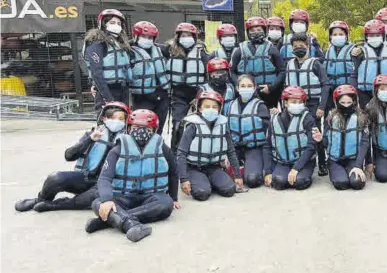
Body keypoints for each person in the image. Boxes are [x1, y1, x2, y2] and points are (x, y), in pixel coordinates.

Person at [14, 102, 130, 213]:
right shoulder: (92, 134)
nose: (116, 122)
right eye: (112, 118)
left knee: (94, 197)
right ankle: (41, 199)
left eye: (120, 119)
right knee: (55, 178)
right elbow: (68, 156)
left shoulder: (127, 141)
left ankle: (57, 205)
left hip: (106, 184)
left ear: (126, 121)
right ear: (104, 119)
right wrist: (89, 140)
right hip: (86, 177)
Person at [85, 109, 179, 243]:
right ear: (128, 129)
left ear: (154, 130)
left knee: (166, 203)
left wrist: (174, 197)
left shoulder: (162, 148)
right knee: (98, 203)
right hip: (124, 197)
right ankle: (132, 225)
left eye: (146, 128)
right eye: (136, 127)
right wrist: (107, 200)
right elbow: (105, 178)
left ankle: (107, 221)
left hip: (150, 197)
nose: (140, 131)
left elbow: (173, 173)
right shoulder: (117, 149)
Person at [176, 91, 243, 201]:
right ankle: (201, 182)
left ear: (219, 109)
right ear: (200, 108)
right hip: (194, 167)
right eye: (206, 106)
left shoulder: (223, 125)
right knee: (202, 193)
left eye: (214, 107)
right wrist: (183, 179)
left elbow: (230, 151)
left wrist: (237, 175)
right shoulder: (192, 126)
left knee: (230, 190)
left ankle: (210, 181)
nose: (211, 109)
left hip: (214, 167)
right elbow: (181, 153)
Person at [282, 32, 331, 176]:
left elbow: (325, 84)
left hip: (313, 103)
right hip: (294, 103)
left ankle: (322, 162)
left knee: (315, 133)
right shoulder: (289, 64)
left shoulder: (315, 63)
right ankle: (301, 160)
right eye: (295, 45)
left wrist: (321, 107)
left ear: (307, 46)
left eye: (301, 45)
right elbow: (285, 88)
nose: (298, 48)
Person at [161, 22, 210, 149]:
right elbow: (153, 48)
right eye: (183, 35)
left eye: (189, 35)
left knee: (201, 124)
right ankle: (175, 153)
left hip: (197, 93)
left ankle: (197, 152)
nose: (186, 38)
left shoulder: (201, 52)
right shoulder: (170, 50)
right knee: (178, 124)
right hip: (178, 93)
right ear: (178, 36)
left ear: (194, 37)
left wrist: (200, 95)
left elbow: (208, 75)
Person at [223, 74, 271, 188]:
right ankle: (240, 168)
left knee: (252, 180)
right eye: (243, 86)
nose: (246, 88)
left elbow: (268, 133)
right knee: (224, 178)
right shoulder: (229, 106)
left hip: (254, 148)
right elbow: (224, 131)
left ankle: (252, 168)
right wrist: (225, 153)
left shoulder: (261, 106)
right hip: (234, 147)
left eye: (249, 86)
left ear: (254, 88)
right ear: (237, 88)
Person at [319, 85, 370, 190]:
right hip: (335, 160)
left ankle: (352, 169)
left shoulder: (361, 118)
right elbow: (325, 142)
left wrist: (358, 165)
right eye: (342, 103)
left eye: (349, 103)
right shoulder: (330, 118)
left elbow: (364, 143)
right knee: (341, 183)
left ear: (354, 102)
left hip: (353, 159)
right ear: (337, 102)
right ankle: (336, 171)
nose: (346, 106)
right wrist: (320, 140)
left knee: (357, 183)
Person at [266, 86, 318, 190]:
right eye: (294, 101)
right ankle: (284, 173)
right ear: (285, 103)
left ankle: (302, 174)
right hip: (283, 161)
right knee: (278, 183)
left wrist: (296, 169)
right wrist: (268, 172)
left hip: (304, 162)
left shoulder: (308, 119)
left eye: (300, 102)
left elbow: (311, 146)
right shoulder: (275, 119)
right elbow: (267, 146)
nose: (297, 105)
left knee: (300, 182)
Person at [230, 17, 286, 109]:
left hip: (268, 94)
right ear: (248, 32)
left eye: (259, 30)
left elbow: (282, 71)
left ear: (264, 31)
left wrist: (271, 87)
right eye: (252, 30)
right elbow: (231, 71)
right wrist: (240, 86)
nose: (256, 32)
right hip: (246, 93)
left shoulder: (272, 49)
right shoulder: (240, 50)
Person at [83, 9, 132, 111]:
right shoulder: (97, 43)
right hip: (106, 90)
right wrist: (108, 98)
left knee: (124, 122)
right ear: (103, 24)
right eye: (112, 22)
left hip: (122, 89)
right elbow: (96, 73)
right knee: (107, 123)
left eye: (119, 23)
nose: (116, 26)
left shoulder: (119, 44)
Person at [129, 21, 170, 135]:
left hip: (162, 95)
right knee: (141, 129)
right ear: (136, 36)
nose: (147, 39)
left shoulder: (160, 49)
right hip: (142, 97)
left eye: (150, 37)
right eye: (143, 36)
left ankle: (156, 150)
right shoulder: (128, 51)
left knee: (158, 129)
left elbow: (178, 52)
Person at [352, 19, 387, 107]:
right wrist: (355, 96)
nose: (374, 37)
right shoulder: (360, 52)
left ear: (383, 36)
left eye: (377, 35)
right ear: (366, 36)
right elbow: (354, 75)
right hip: (366, 94)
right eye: (371, 35)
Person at [323, 21, 357, 101]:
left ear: (346, 36)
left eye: (341, 34)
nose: (338, 36)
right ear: (330, 36)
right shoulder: (326, 52)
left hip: (347, 89)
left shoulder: (354, 50)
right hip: (330, 89)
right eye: (335, 34)